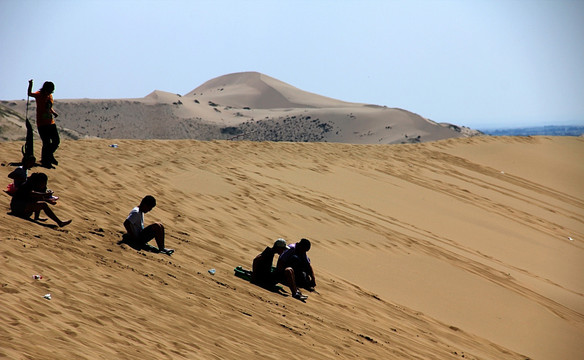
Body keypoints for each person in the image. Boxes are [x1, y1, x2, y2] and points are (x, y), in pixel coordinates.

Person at [28, 79, 60, 168]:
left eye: (51, 91)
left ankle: (48, 156)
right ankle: (46, 160)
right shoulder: (39, 95)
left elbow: (48, 107)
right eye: (49, 90)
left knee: (56, 141)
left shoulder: (50, 96)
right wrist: (30, 84)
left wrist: (53, 112)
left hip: (51, 122)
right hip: (42, 124)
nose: (50, 92)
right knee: (46, 143)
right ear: (45, 89)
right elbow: (29, 94)